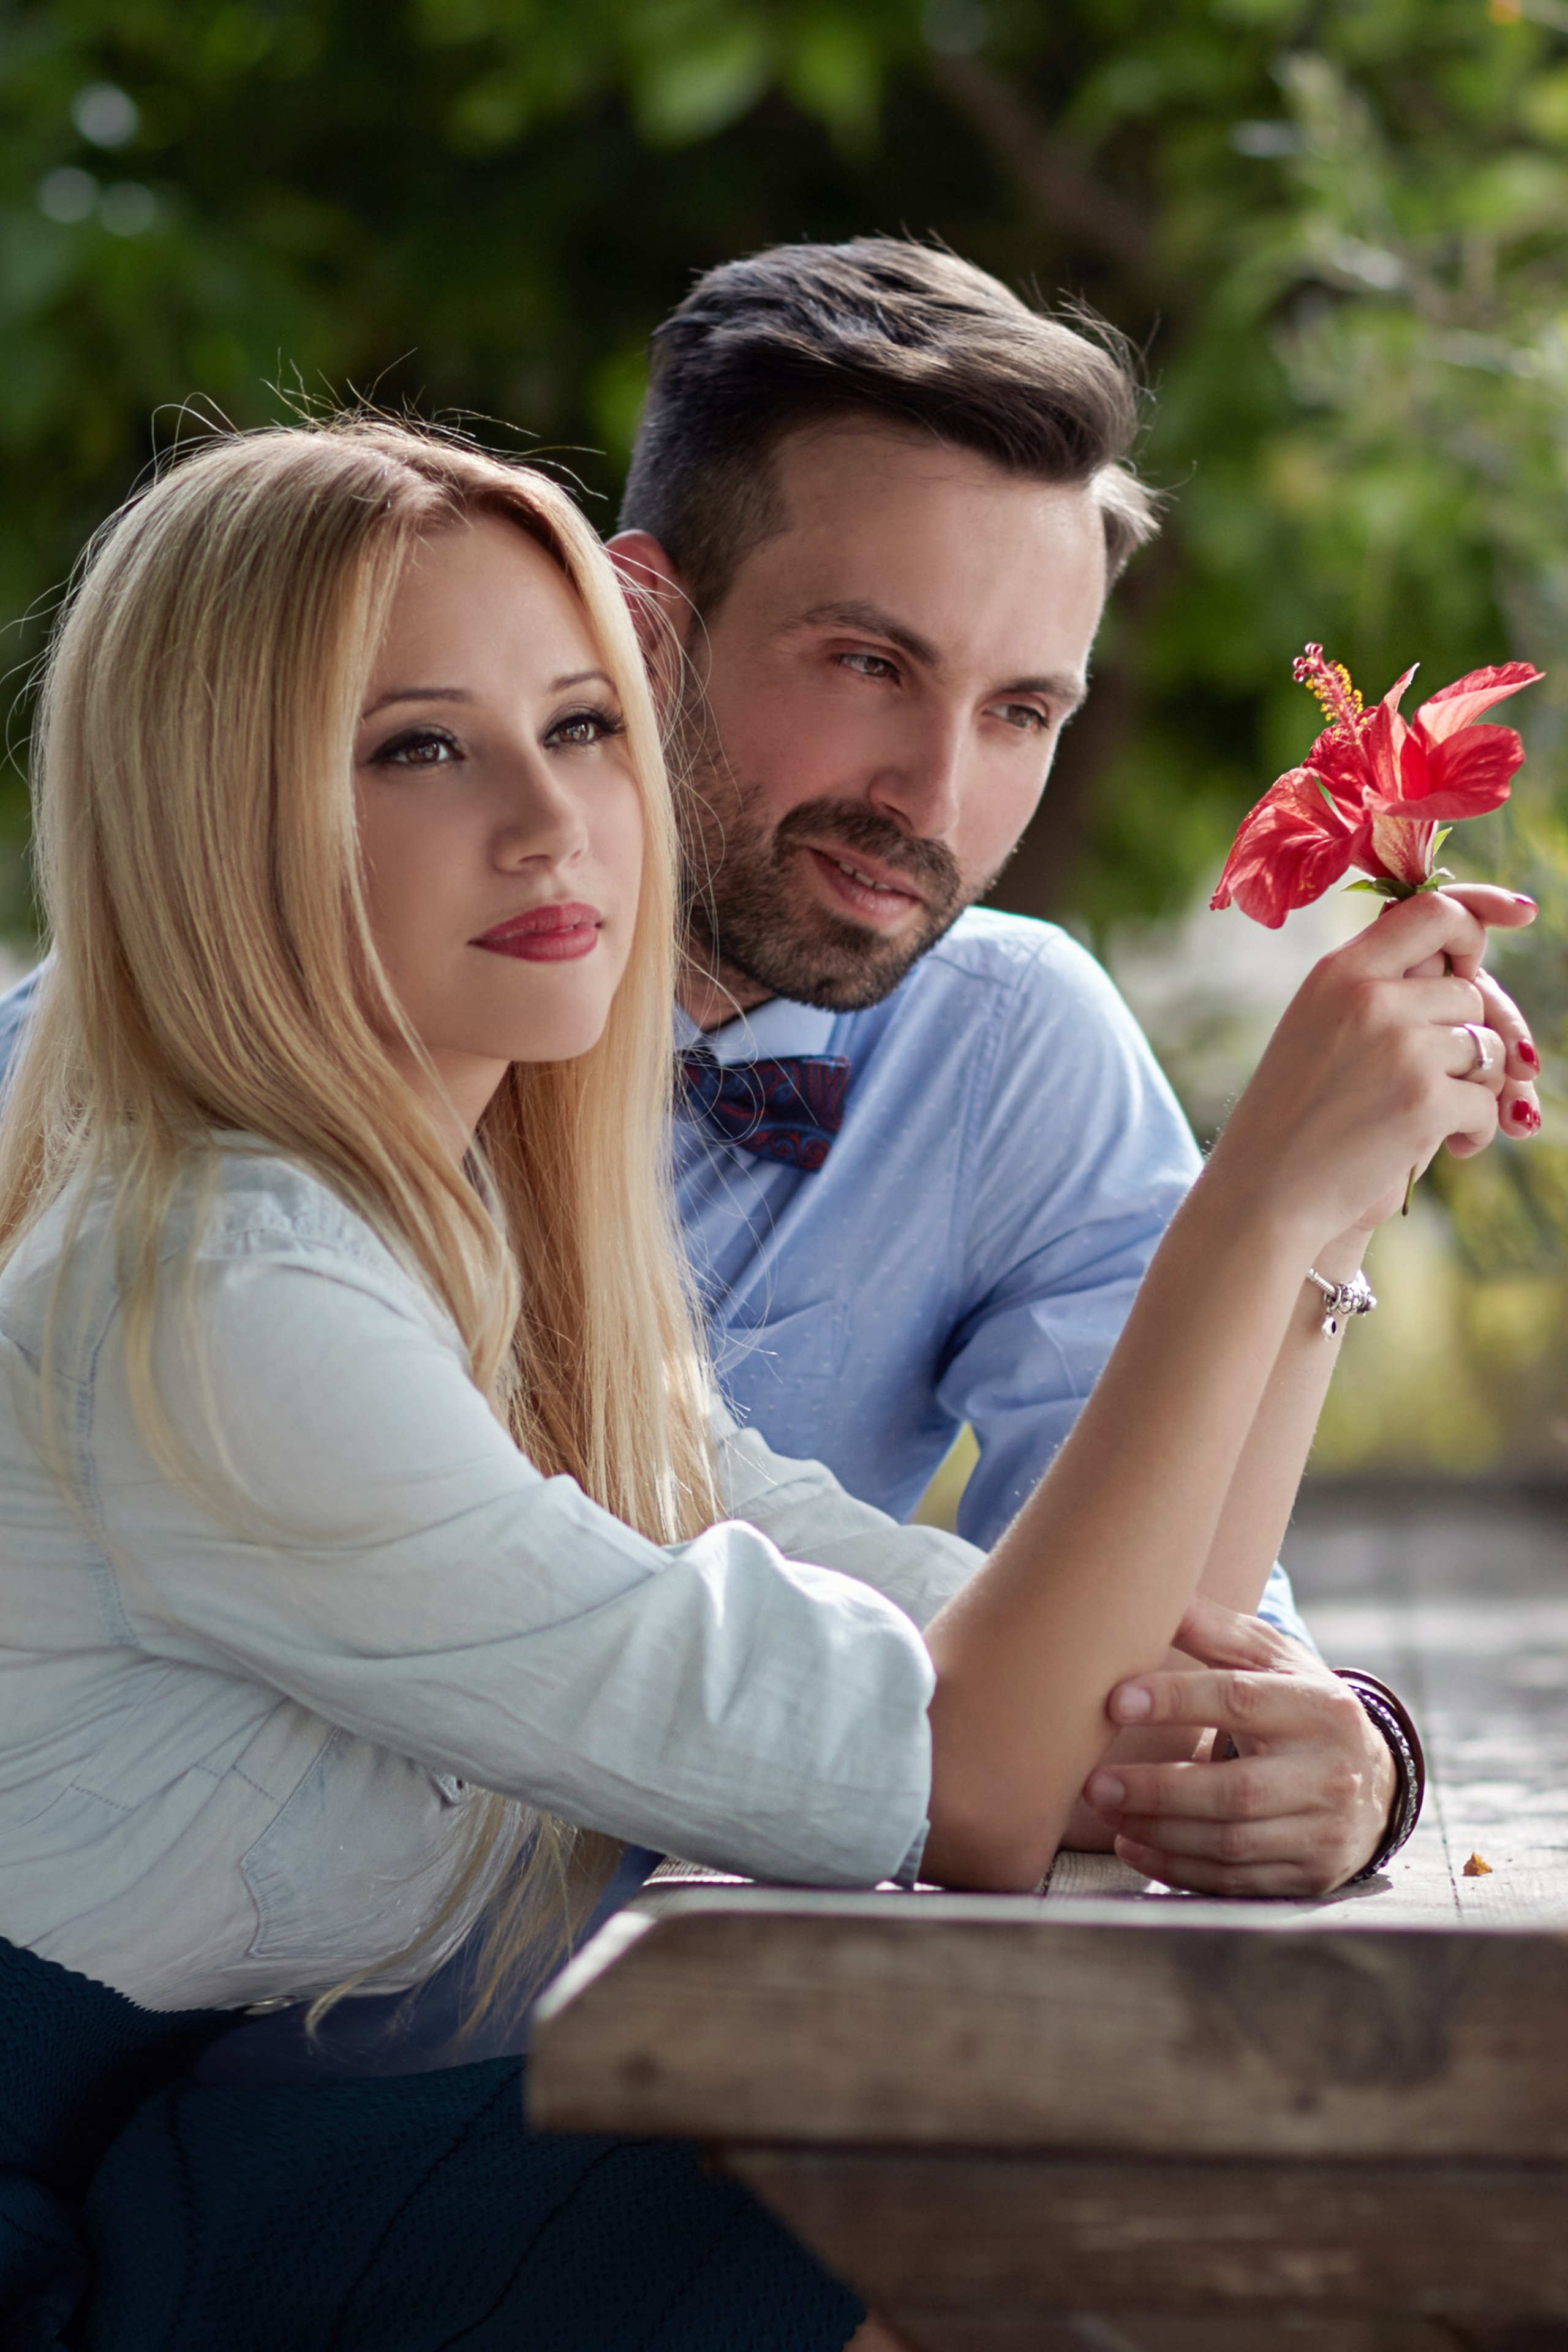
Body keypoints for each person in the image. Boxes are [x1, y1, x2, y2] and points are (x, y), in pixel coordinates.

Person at [0, 418, 1528, 2351]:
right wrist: (1249, 1203)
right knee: (971, 2186)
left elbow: (1082, 1716)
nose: (553, 824)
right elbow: (973, 1782)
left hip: (222, 2153)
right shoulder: (224, 1297)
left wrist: (1324, 1233)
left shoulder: (485, 1260)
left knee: (1039, 2154)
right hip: (79, 2226)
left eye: (578, 730)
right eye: (418, 745)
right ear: (215, 812)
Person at [607, 237, 1544, 1893]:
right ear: (646, 624)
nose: (933, 795)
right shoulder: (348, 1022)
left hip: (719, 1987)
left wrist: (1353, 1760)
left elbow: (1170, 1672)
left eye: (1022, 712)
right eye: (871, 663)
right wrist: (1270, 1204)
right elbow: (997, 1742)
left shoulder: (1000, 1035)